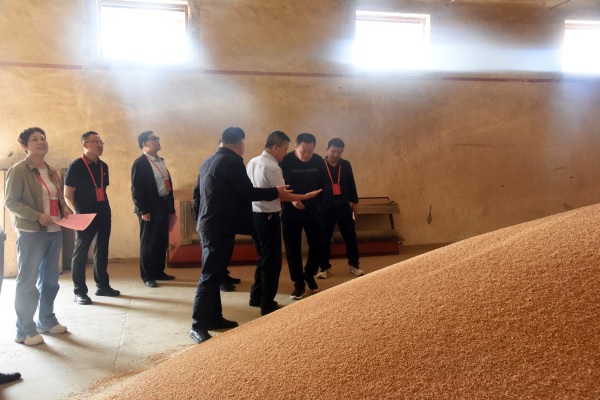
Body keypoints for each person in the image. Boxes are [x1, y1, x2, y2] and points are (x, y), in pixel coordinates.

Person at [189, 127, 321, 344]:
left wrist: (200, 219)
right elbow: (248, 192)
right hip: (218, 226)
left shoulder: (209, 160)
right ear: (240, 143)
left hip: (213, 224)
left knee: (215, 274)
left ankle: (213, 317)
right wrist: (276, 192)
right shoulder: (232, 161)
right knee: (210, 276)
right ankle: (197, 325)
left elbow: (197, 194)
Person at [4, 127, 70, 346]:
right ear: (24, 146)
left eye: (43, 138)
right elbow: (11, 202)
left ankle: (46, 320)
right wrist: (37, 216)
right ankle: (24, 331)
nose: (41, 142)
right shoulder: (18, 170)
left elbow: (56, 196)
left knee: (50, 281)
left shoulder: (50, 170)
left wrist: (64, 209)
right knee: (28, 282)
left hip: (54, 231)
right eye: (34, 139)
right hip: (31, 233)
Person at [64, 131, 120, 305]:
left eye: (101, 141)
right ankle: (79, 291)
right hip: (84, 215)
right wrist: (77, 213)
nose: (100, 144)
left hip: (103, 212)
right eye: (96, 142)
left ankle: (102, 286)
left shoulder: (103, 166)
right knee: (81, 252)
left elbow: (102, 190)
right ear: (85, 145)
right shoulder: (76, 166)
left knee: (102, 249)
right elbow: (67, 195)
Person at [246, 130, 291, 315]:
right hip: (268, 217)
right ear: (275, 147)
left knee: (263, 258)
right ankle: (267, 303)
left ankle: (256, 296)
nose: (285, 153)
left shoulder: (252, 161)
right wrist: (305, 196)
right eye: (285, 149)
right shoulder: (272, 167)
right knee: (272, 261)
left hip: (254, 215)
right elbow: (283, 195)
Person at [280, 133, 325, 300]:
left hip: (313, 210)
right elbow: (280, 184)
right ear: (295, 147)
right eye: (303, 151)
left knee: (318, 244)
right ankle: (298, 283)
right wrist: (292, 200)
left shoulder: (318, 161)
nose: (306, 155)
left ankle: (309, 274)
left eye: (310, 151)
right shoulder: (285, 161)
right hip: (291, 209)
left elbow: (323, 185)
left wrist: (320, 205)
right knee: (293, 249)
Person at [131, 131, 176, 288]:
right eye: (154, 139)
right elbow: (136, 190)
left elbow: (167, 184)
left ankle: (158, 271)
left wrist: (171, 208)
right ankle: (147, 275)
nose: (157, 141)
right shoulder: (140, 164)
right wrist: (143, 210)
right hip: (149, 208)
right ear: (145, 144)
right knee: (149, 243)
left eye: (157, 138)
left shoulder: (160, 161)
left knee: (161, 241)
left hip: (162, 205)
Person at [317, 138, 365, 279]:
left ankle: (354, 265)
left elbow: (351, 184)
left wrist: (354, 203)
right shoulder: (320, 165)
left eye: (339, 152)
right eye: (333, 151)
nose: (336, 155)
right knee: (324, 238)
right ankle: (324, 268)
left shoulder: (346, 165)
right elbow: (316, 186)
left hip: (344, 206)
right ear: (327, 149)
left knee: (350, 237)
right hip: (325, 208)